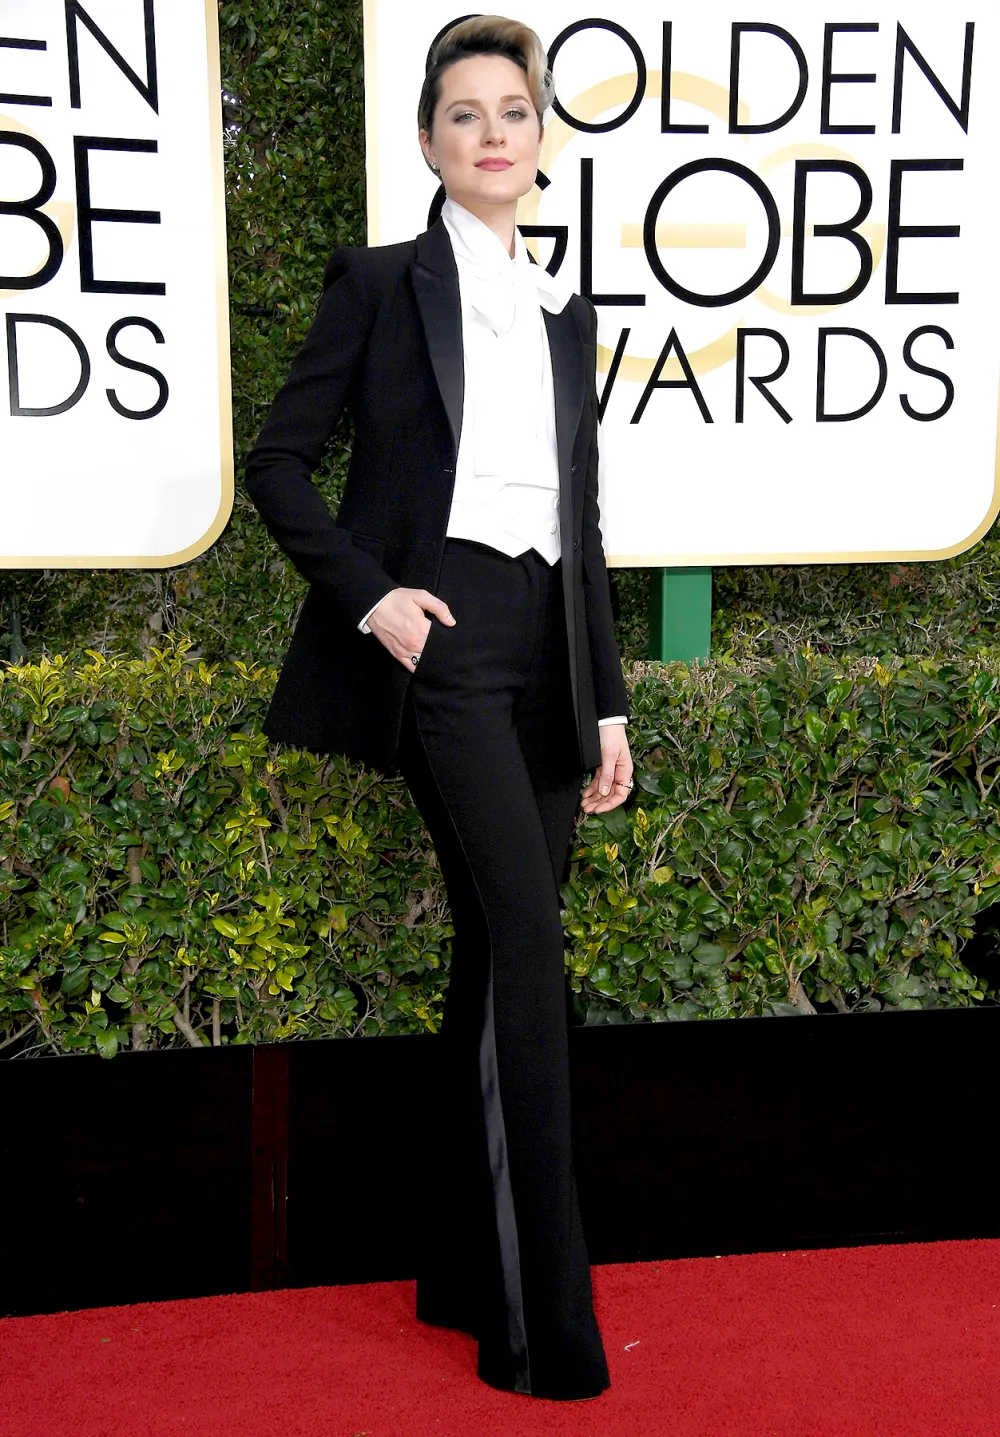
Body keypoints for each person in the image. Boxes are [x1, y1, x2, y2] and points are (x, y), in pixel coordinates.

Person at [244, 14, 633, 1402]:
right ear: (428, 142)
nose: (491, 133)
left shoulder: (566, 312)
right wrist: (376, 599)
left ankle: (464, 1275)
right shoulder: (378, 283)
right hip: (444, 644)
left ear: (540, 138)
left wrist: (608, 702)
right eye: (464, 113)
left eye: (512, 111)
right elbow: (278, 464)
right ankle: (543, 1325)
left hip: (549, 652)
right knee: (529, 943)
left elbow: (582, 523)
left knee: (493, 948)